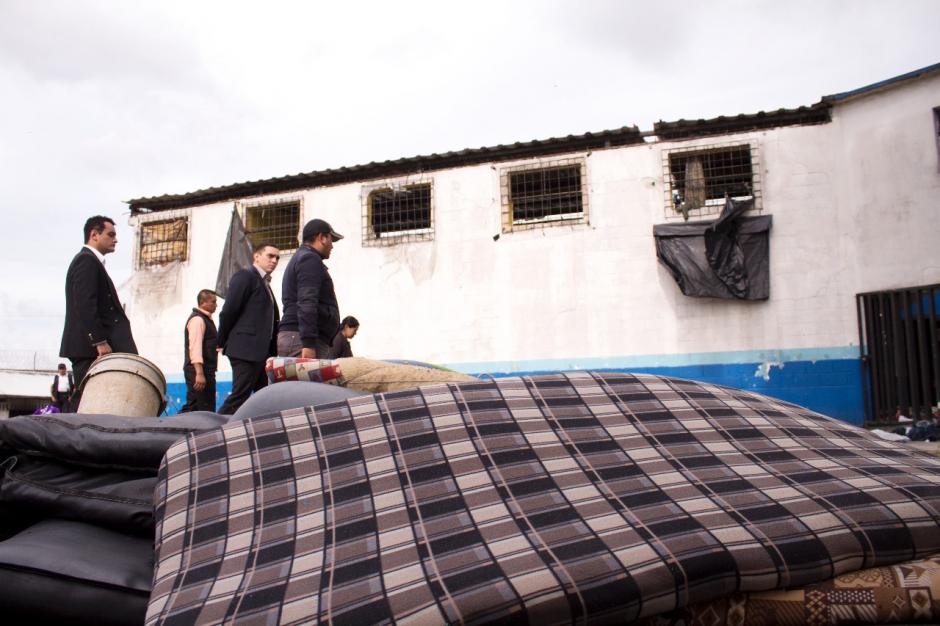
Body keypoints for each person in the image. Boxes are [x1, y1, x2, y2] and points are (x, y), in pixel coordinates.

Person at [59, 215, 138, 406]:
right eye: (110, 235)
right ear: (94, 235)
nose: (115, 240)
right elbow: (85, 303)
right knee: (88, 403)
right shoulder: (86, 261)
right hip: (90, 349)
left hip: (93, 348)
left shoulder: (92, 262)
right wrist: (99, 341)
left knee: (96, 402)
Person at [217, 243, 280, 415]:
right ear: (256, 256)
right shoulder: (245, 276)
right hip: (245, 350)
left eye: (277, 257)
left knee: (263, 397)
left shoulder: (264, 283)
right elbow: (229, 311)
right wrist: (221, 341)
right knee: (240, 395)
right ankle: (216, 427)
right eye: (270, 256)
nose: (274, 261)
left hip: (261, 352)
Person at [278, 219, 343, 359]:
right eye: (331, 240)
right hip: (302, 340)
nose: (332, 246)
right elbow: (307, 301)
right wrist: (308, 343)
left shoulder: (303, 257)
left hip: (298, 337)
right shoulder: (309, 259)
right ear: (322, 238)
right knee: (307, 375)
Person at [181, 289, 219, 413]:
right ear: (203, 303)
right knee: (198, 408)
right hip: (199, 371)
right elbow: (195, 347)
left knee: (202, 407)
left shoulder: (206, 319)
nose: (216, 305)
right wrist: (199, 373)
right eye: (213, 302)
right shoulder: (198, 320)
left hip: (206, 371)